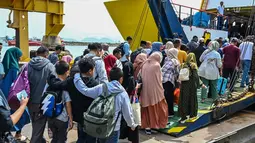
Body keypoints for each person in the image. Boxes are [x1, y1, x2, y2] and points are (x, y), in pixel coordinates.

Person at [72, 67, 138, 143]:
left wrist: (77, 77)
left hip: (100, 125)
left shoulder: (102, 87)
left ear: (109, 78)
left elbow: (85, 91)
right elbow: (127, 113)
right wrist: (132, 125)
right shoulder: (122, 93)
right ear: (121, 79)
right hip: (113, 128)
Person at [48, 58, 98, 143]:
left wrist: (51, 78)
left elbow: (57, 85)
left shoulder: (71, 81)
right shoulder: (95, 84)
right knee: (91, 139)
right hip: (91, 117)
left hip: (78, 116)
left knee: (81, 137)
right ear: (90, 70)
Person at [1, 47, 30, 141]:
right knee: (21, 114)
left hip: (3, 96)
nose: (20, 59)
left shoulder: (3, 65)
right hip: (12, 96)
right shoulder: (14, 68)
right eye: (19, 56)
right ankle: (18, 134)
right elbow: (17, 84)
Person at [28, 47, 55, 143]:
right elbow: (54, 82)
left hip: (29, 100)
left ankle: (40, 140)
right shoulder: (50, 66)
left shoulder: (27, 65)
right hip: (43, 101)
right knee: (39, 124)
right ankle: (35, 140)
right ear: (46, 54)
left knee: (35, 123)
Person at [139, 52, 168, 135]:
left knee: (146, 109)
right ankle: (155, 125)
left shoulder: (144, 64)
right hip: (155, 90)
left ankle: (147, 126)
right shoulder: (157, 65)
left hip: (145, 90)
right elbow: (160, 79)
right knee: (159, 107)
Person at [46, 61, 73, 143]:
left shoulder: (49, 83)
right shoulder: (64, 85)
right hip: (62, 118)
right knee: (62, 139)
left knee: (54, 138)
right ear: (67, 72)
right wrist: (71, 119)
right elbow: (68, 104)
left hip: (50, 116)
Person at [178, 53, 202, 123]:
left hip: (183, 85)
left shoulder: (183, 65)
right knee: (192, 99)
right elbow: (196, 77)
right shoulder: (193, 65)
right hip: (191, 85)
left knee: (184, 100)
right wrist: (199, 85)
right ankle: (192, 114)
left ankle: (183, 116)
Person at [162, 48, 180, 117]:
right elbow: (177, 72)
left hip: (162, 79)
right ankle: (170, 112)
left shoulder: (166, 59)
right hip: (169, 80)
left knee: (165, 96)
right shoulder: (175, 61)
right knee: (170, 96)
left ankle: (165, 111)